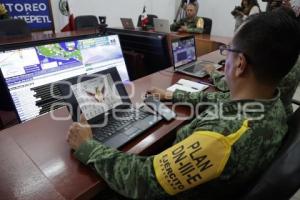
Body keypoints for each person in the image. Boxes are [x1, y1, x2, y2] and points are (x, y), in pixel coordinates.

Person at [67, 9, 300, 199]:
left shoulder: (220, 138)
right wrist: (174, 96)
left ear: (240, 64)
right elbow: (221, 100)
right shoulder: (273, 104)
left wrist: (88, 146)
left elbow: (143, 179)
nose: (225, 56)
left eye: (227, 51)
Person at [205, 6, 300, 117]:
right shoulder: (290, 54)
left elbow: (246, 84)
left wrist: (213, 73)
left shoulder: (272, 57)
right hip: (280, 111)